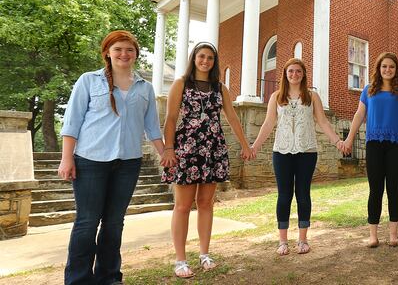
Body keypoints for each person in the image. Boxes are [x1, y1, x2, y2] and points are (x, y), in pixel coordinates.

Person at [58, 30, 165, 285]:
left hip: (128, 163)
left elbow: (152, 127)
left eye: (129, 50)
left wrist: (166, 155)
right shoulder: (88, 81)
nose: (124, 54)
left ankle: (108, 278)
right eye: (118, 49)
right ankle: (79, 280)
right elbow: (72, 122)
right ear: (107, 52)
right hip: (90, 160)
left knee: (114, 223)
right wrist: (67, 158)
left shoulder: (145, 88)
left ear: (136, 54)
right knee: (87, 221)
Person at [160, 42, 254, 278]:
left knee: (205, 203)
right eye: (201, 56)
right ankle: (180, 260)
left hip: (213, 149)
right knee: (182, 205)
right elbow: (170, 118)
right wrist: (168, 149)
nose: (205, 61)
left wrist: (245, 145)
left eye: (210, 57)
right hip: (187, 149)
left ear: (214, 61)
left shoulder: (220, 88)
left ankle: (204, 254)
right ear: (194, 58)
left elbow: (232, 118)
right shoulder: (181, 83)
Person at [251, 58, 345, 255]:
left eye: (298, 72)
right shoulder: (276, 97)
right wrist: (255, 146)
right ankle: (282, 241)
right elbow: (268, 124)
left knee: (303, 195)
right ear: (285, 74)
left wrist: (338, 141)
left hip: (307, 152)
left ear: (303, 74)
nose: (294, 75)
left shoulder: (312, 96)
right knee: (284, 196)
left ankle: (303, 239)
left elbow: (323, 122)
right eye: (291, 71)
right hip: (282, 152)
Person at [342, 52, 398, 248]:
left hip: (397, 144)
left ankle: (393, 234)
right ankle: (373, 235)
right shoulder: (368, 91)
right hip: (374, 143)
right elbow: (359, 114)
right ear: (378, 69)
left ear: (396, 69)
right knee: (375, 189)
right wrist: (349, 138)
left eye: (391, 66)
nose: (387, 70)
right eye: (384, 66)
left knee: (393, 188)